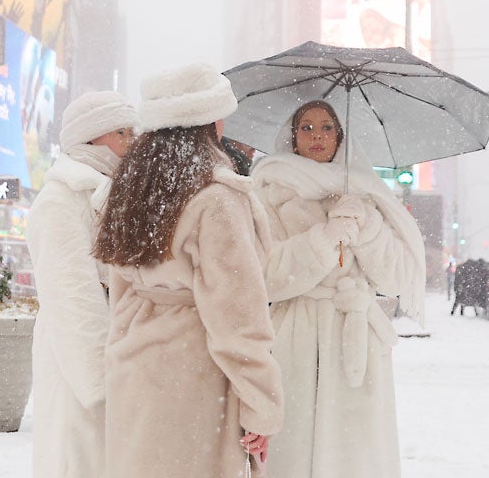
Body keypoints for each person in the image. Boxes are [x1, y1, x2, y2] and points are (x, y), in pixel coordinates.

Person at [94, 62, 282, 478]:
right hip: (194, 376)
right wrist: (260, 405)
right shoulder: (216, 197)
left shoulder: (131, 190)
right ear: (208, 120)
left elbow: (120, 289)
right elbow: (238, 315)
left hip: (135, 369)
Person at [251, 99, 425, 478]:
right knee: (294, 451)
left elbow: (395, 277)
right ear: (293, 137)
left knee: (357, 456)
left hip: (356, 339)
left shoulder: (365, 194)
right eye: (307, 127)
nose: (317, 136)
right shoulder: (268, 192)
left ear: (340, 137)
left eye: (327, 127)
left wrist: (366, 228)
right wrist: (324, 238)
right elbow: (265, 276)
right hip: (295, 338)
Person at [26, 90, 138, 478]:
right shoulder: (61, 199)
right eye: (121, 132)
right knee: (78, 456)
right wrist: (100, 384)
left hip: (115, 345)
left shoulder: (113, 193)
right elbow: (70, 295)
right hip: (78, 356)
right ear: (91, 137)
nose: (131, 141)